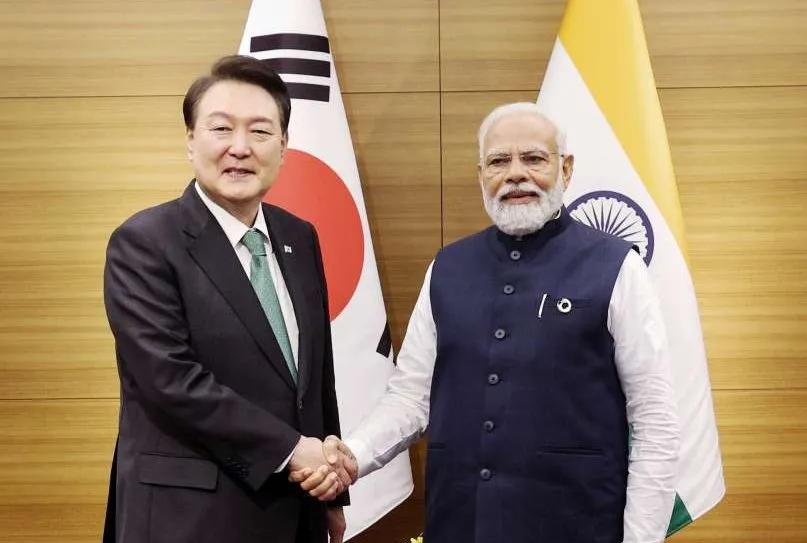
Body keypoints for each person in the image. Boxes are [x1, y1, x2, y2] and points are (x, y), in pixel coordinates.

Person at [293, 102, 681, 542]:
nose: (515, 174)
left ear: (566, 169)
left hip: (575, 524)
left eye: (533, 158)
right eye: (499, 161)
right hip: (461, 523)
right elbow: (412, 397)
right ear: (481, 175)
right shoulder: (447, 268)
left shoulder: (617, 266)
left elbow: (655, 420)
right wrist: (353, 455)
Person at [102, 55, 356, 543]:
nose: (240, 147)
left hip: (294, 510)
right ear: (190, 141)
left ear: (283, 146)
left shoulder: (298, 236)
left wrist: (330, 494)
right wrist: (292, 451)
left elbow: (316, 378)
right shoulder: (144, 242)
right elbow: (170, 381)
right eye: (221, 129)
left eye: (260, 132)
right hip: (189, 517)